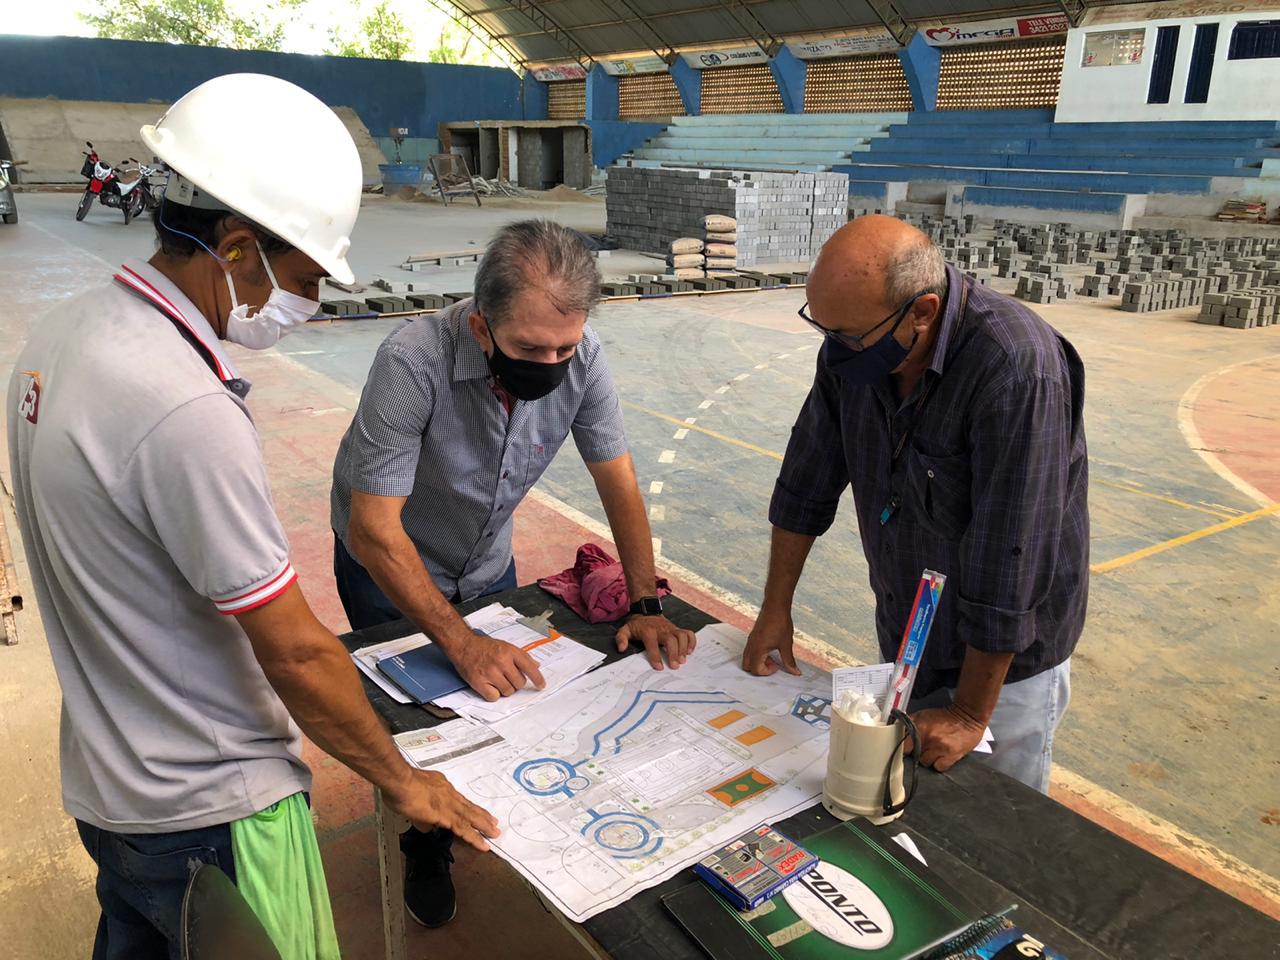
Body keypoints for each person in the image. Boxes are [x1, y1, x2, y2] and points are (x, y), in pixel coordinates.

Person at [7, 74, 496, 960]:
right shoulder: (180, 405)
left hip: (113, 781)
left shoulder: (63, 334)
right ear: (236, 249)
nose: (305, 305)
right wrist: (399, 779)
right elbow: (296, 648)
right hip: (210, 807)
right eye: (304, 276)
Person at [330, 218, 697, 926]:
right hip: (390, 561)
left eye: (564, 345)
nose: (551, 362)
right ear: (479, 326)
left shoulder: (581, 359)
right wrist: (456, 640)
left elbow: (618, 482)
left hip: (485, 556)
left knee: (501, 702)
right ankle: (424, 840)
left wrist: (647, 602)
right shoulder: (411, 363)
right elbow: (376, 528)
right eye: (530, 347)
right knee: (420, 717)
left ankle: (497, 808)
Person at [744, 214, 1087, 795]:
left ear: (922, 313)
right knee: (915, 803)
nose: (834, 350)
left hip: (1003, 669)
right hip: (911, 636)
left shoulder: (1015, 368)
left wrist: (972, 715)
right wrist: (775, 607)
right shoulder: (854, 349)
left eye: (849, 337)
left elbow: (1012, 554)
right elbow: (807, 479)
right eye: (823, 329)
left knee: (994, 819)